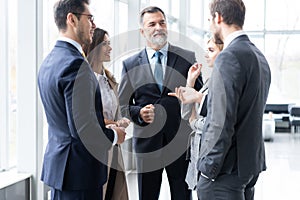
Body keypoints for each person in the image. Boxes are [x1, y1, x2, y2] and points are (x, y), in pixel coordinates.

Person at [37, 0, 126, 199]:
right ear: (72, 19)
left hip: (60, 169)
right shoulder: (77, 65)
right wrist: (115, 135)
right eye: (90, 18)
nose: (93, 25)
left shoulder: (49, 61)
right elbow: (84, 131)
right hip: (80, 173)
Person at [118, 6, 203, 200]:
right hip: (147, 146)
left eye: (162, 22)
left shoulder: (187, 57)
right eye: (152, 24)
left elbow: (200, 97)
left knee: (182, 195)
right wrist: (138, 113)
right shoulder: (129, 64)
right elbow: (121, 106)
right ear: (142, 31)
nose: (159, 27)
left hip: (180, 144)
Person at [197, 0, 271, 199]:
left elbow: (220, 121)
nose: (210, 25)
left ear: (218, 17)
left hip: (225, 171)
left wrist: (207, 169)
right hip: (249, 165)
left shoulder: (229, 56)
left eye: (210, 19)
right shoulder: (258, 55)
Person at [169, 36, 224, 191]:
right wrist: (190, 82)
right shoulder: (210, 80)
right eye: (206, 50)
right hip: (200, 154)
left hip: (211, 156)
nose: (206, 55)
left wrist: (194, 121)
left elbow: (214, 120)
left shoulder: (223, 81)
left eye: (211, 50)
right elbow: (186, 114)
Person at [84, 27, 130, 200]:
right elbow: (87, 116)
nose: (110, 48)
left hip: (113, 145)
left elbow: (114, 110)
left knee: (114, 192)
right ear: (94, 47)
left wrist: (120, 121)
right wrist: (111, 123)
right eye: (105, 44)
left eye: (110, 43)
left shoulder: (109, 79)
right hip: (97, 147)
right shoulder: (85, 79)